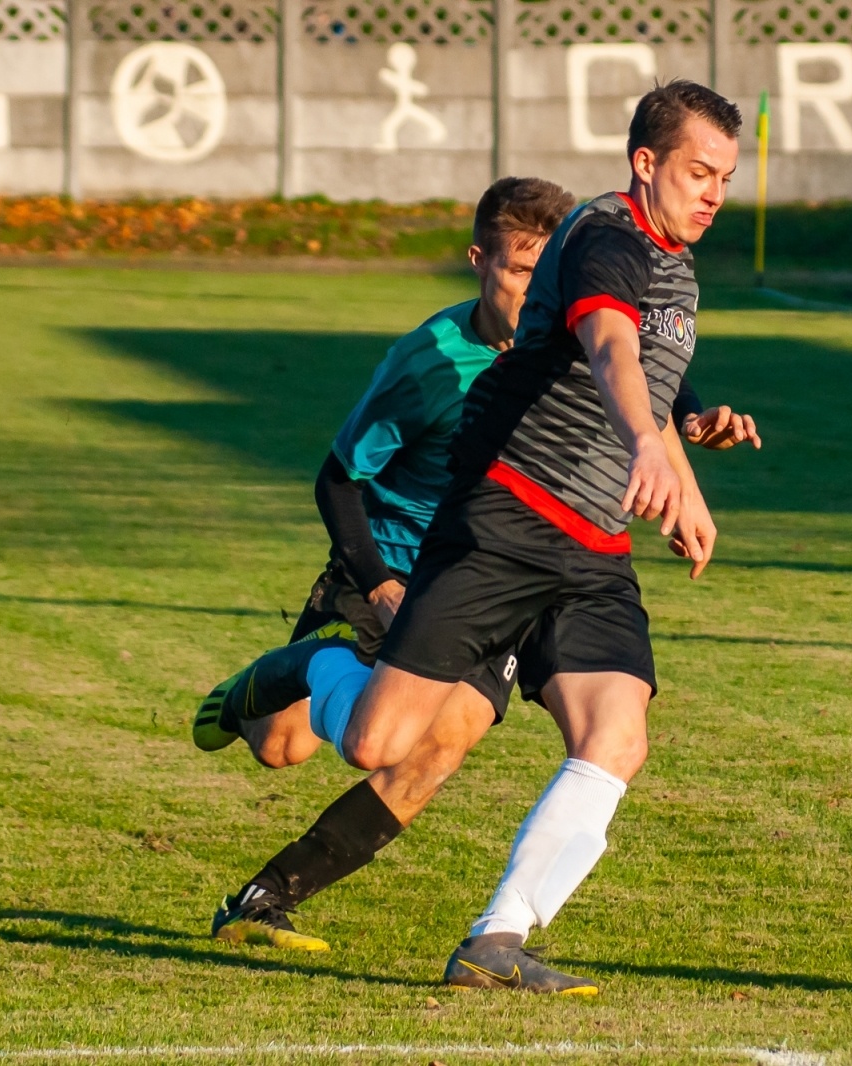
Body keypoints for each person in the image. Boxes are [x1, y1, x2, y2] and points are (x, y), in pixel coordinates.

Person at [224, 79, 743, 994]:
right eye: (699, 172)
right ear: (645, 162)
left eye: (726, 178)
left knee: (616, 736)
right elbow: (613, 349)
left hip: (591, 547)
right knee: (382, 744)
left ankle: (496, 939)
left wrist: (684, 486)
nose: (713, 193)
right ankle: (316, 668)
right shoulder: (603, 237)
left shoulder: (681, 269)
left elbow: (653, 388)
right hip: (506, 517)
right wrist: (642, 451)